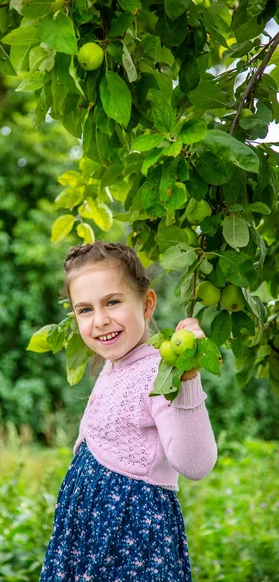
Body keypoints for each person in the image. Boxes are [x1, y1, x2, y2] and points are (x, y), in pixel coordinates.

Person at [39, 241, 218, 581]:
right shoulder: (115, 365)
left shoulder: (160, 372)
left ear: (147, 303)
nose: (101, 320)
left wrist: (189, 376)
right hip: (89, 541)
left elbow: (196, 464)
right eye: (85, 310)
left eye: (113, 302)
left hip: (131, 543)